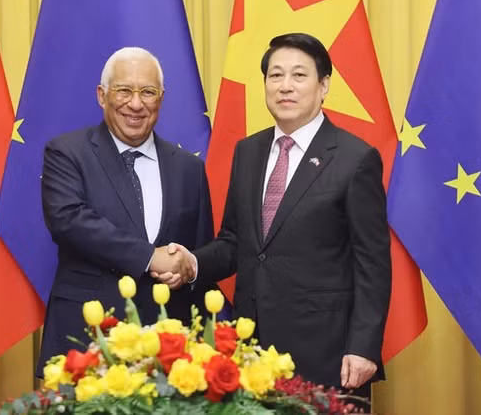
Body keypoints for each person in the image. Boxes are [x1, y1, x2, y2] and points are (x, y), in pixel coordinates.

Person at [156, 33, 391, 397]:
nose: (285, 86)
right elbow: (236, 242)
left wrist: (363, 347)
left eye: (299, 76)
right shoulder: (248, 151)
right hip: (251, 349)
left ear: (324, 85)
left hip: (326, 353)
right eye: (275, 75)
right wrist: (192, 262)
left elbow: (372, 262)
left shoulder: (354, 158)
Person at [37, 47, 212, 375]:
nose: (136, 104)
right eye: (123, 90)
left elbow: (200, 250)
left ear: (161, 98)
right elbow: (69, 221)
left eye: (148, 92)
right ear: (102, 95)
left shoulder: (189, 168)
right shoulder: (67, 153)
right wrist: (151, 257)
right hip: (88, 342)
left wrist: (187, 269)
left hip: (171, 352)